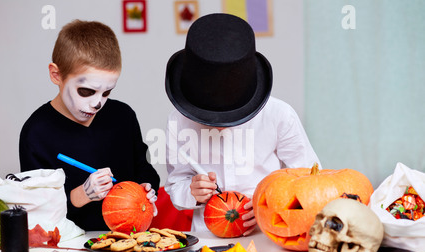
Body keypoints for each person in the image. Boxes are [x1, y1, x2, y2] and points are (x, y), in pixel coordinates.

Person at [164, 13, 320, 234]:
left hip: (270, 235)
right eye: (206, 116)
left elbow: (310, 181)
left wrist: (269, 207)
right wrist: (191, 192)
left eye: (230, 116)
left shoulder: (279, 115)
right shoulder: (178, 122)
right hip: (206, 238)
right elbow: (175, 184)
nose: (219, 125)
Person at [20, 20, 160, 231]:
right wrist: (82, 195)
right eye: (86, 91)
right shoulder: (36, 133)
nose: (97, 103)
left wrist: (146, 189)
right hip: (68, 246)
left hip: (130, 240)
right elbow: (38, 211)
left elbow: (144, 168)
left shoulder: (123, 116)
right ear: (56, 75)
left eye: (106, 92)